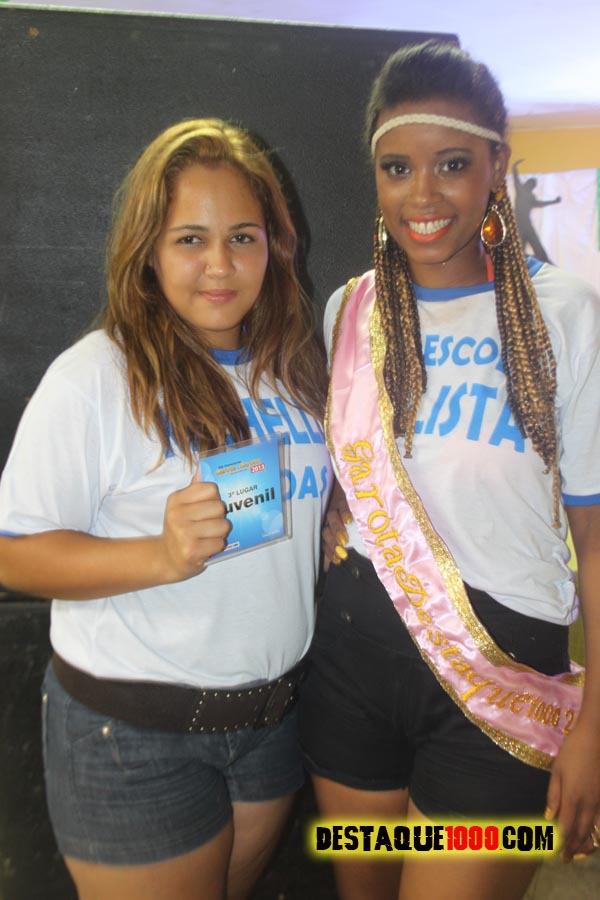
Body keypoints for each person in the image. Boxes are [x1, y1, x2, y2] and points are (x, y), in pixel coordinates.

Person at [298, 40, 600, 900]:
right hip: (352, 662)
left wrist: (596, 726)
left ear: (498, 166)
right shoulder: (349, 309)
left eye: (453, 164)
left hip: (500, 673)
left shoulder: (567, 313)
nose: (422, 195)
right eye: (397, 168)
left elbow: (595, 537)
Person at [0, 118, 331, 900]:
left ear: (274, 247)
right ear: (148, 249)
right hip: (136, 737)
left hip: (270, 722)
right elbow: (12, 553)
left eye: (243, 237)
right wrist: (158, 554)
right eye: (190, 239)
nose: (220, 264)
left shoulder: (295, 368)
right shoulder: (96, 376)